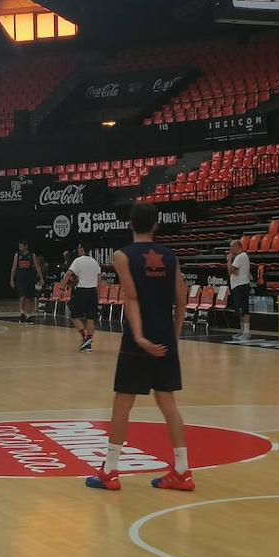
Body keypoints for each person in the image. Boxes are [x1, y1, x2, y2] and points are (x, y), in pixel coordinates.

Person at [86, 202, 194, 493]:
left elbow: (131, 298)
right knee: (168, 403)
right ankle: (182, 471)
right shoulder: (170, 256)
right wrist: (174, 333)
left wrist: (141, 336)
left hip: (139, 338)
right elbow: (182, 298)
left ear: (130, 224)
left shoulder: (122, 255)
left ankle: (110, 471)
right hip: (166, 337)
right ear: (156, 225)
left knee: (123, 403)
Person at [62, 241, 102, 352]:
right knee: (90, 318)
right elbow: (99, 280)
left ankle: (85, 337)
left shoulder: (77, 261)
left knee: (74, 316)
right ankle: (88, 342)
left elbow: (68, 274)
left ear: (82, 249)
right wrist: (98, 295)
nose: (78, 250)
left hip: (81, 291)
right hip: (92, 292)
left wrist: (61, 286)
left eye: (79, 248)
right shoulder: (95, 262)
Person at [9, 241, 41, 324]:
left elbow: (37, 267)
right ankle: (22, 314)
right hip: (20, 279)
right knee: (22, 297)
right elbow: (13, 268)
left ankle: (28, 316)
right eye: (19, 247)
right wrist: (11, 279)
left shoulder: (32, 255)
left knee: (29, 298)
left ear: (26, 246)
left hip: (30, 279)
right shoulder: (17, 255)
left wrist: (41, 278)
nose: (20, 248)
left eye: (22, 247)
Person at [227, 240, 253, 341]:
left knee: (244, 310)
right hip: (238, 286)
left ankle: (246, 332)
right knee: (240, 311)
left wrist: (229, 260)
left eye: (231, 248)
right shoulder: (240, 257)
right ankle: (242, 331)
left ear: (236, 246)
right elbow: (234, 272)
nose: (230, 250)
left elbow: (230, 271)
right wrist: (233, 270)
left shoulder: (241, 256)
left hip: (241, 286)